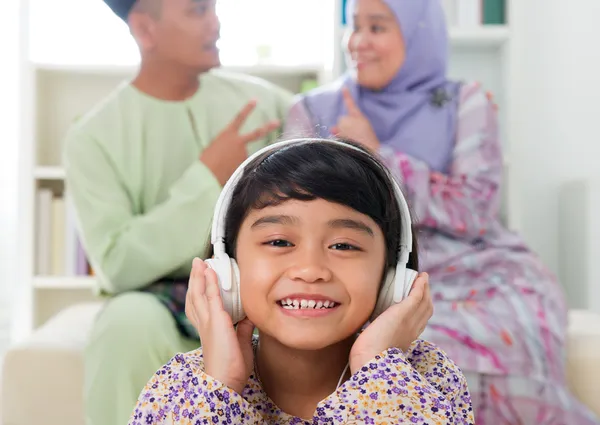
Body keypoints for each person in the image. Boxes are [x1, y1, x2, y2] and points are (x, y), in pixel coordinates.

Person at [283, 1, 600, 424]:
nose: (358, 42)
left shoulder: (463, 102)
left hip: (475, 264)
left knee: (513, 327)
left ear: (419, 34)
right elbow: (298, 211)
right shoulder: (314, 110)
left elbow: (473, 210)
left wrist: (379, 156)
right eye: (353, 26)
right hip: (365, 263)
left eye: (376, 27)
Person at [127, 138, 475, 424]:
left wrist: (376, 370)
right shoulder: (181, 389)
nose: (310, 270)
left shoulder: (425, 380)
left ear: (391, 277)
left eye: (343, 245)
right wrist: (222, 384)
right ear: (228, 267)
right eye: (279, 242)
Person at [62, 0, 293, 423]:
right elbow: (116, 263)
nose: (216, 22)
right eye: (197, 10)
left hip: (259, 287)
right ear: (145, 29)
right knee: (125, 325)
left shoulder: (267, 103)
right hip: (159, 297)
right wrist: (209, 179)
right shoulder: (92, 137)